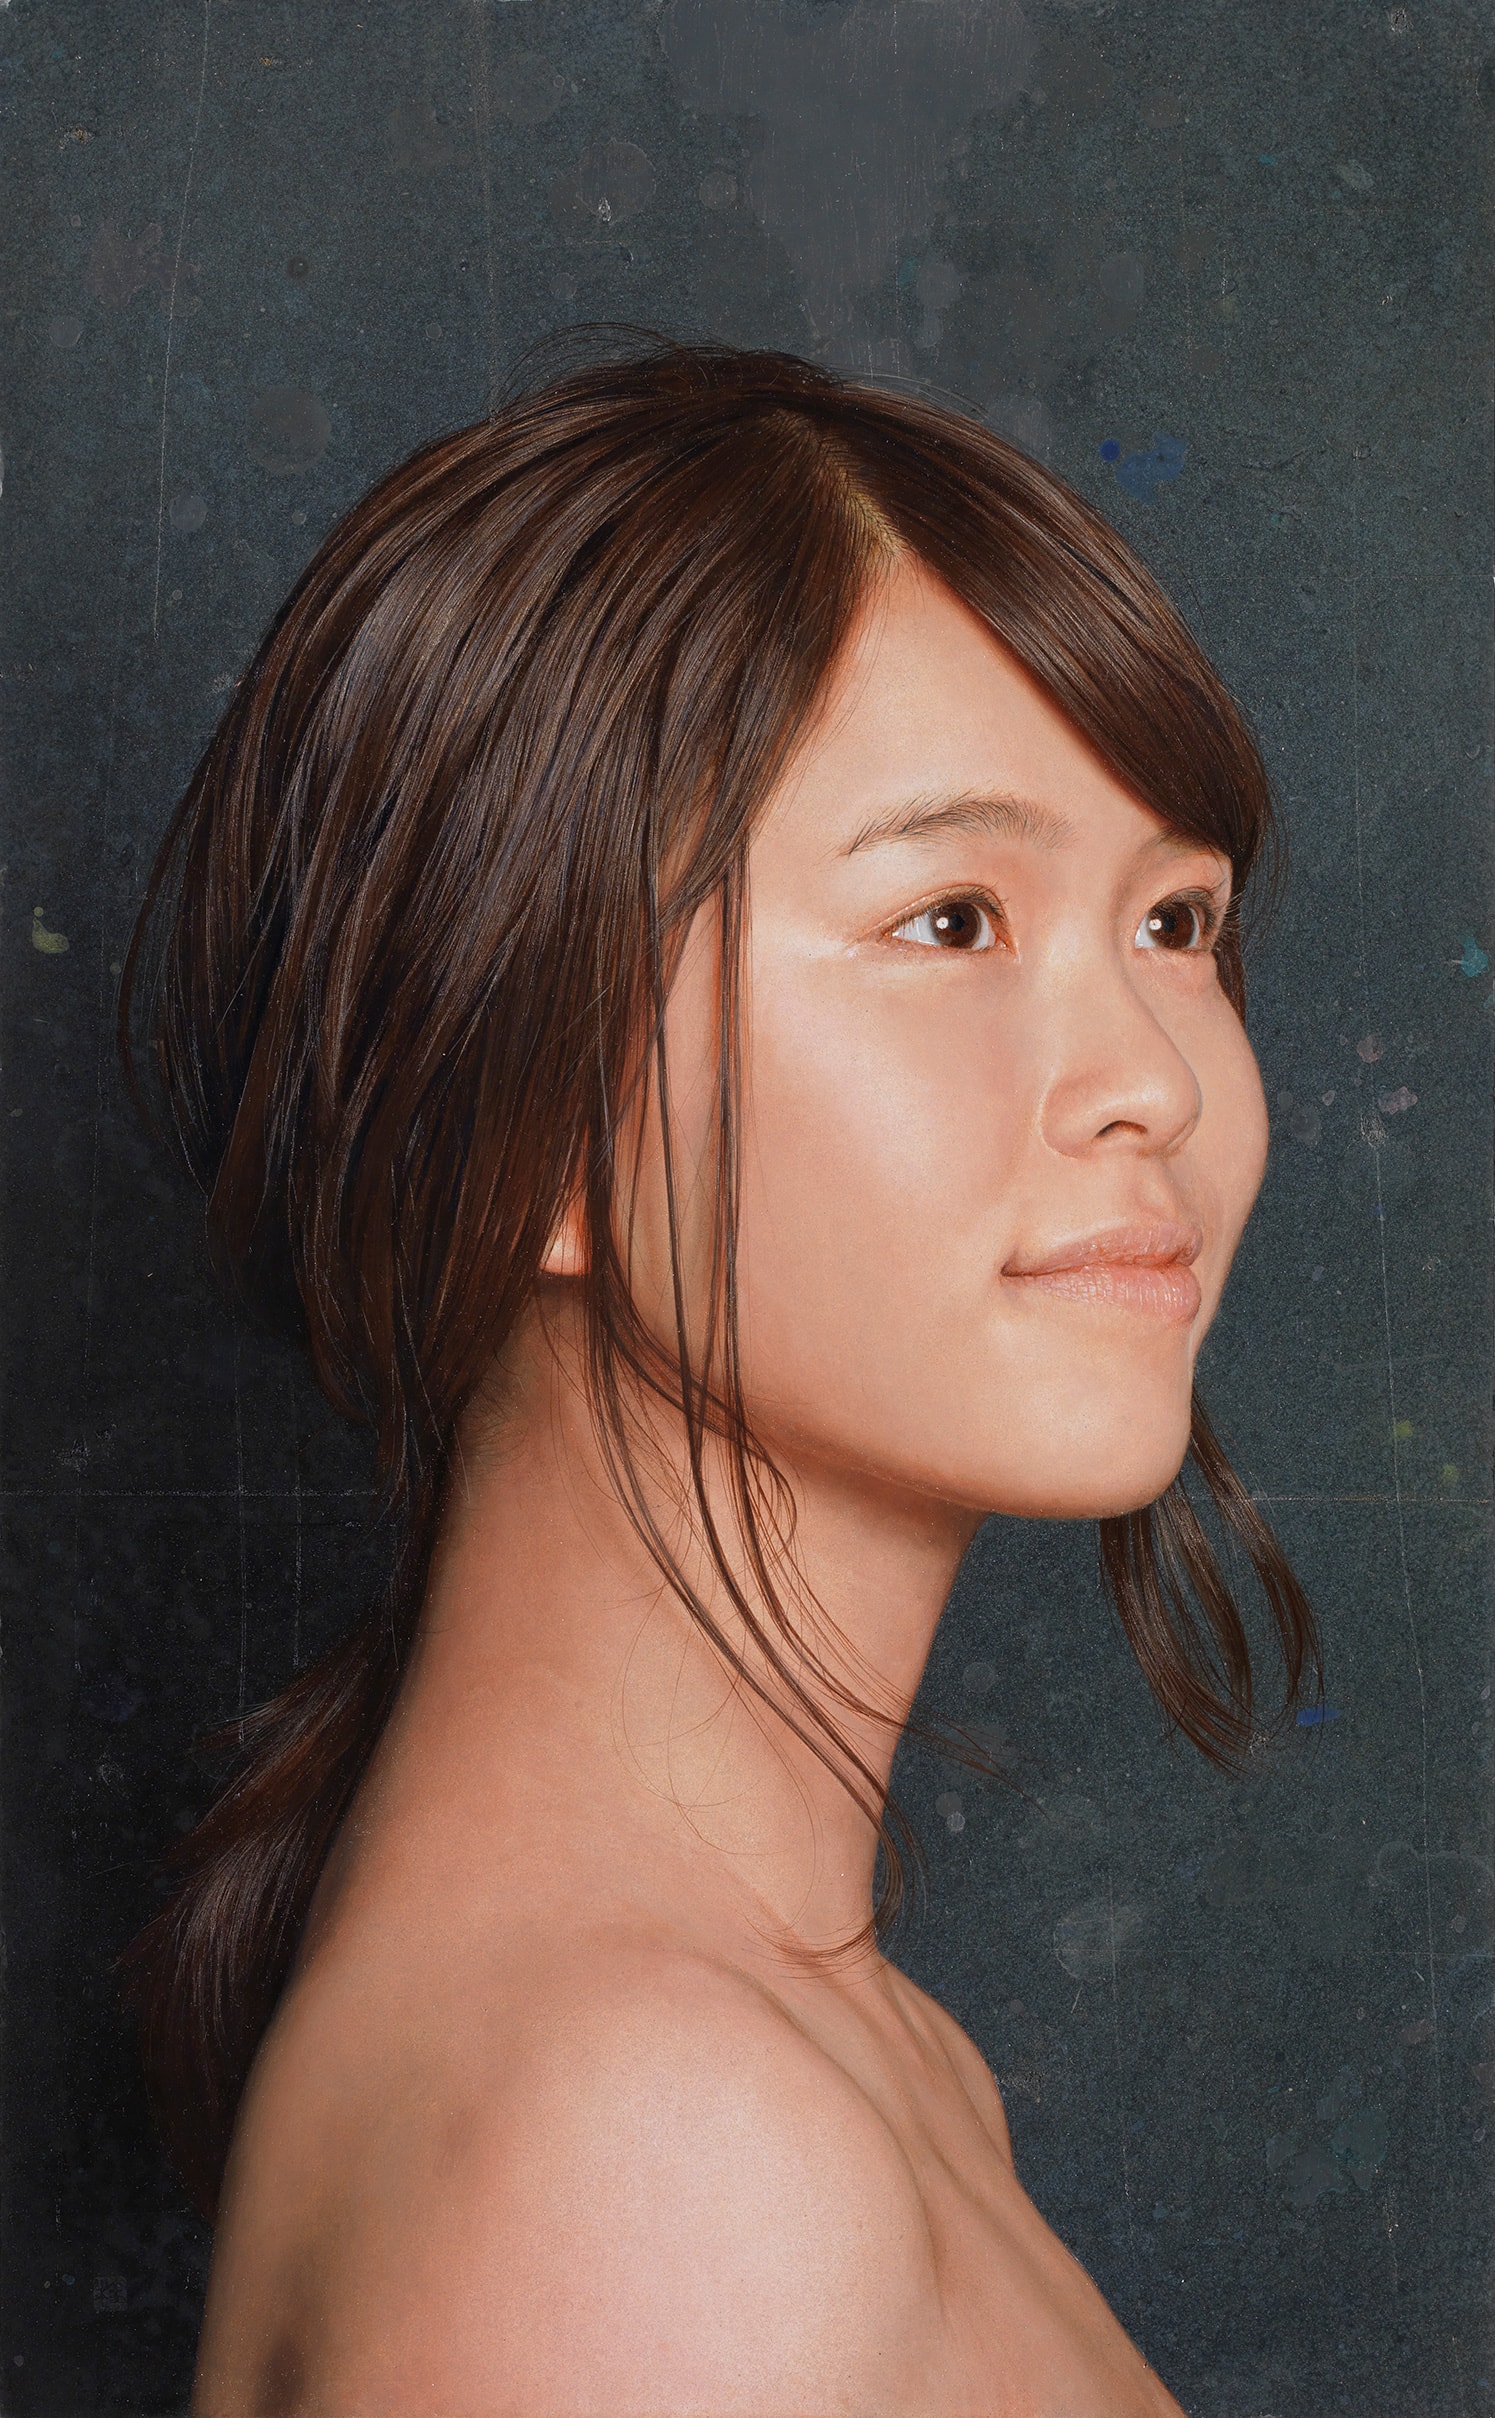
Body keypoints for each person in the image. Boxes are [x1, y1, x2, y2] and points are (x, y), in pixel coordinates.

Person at [121, 336, 1316, 2417]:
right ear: (517, 1117)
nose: (1155, 1080)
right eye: (951, 920)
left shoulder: (836, 2059)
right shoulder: (662, 2156)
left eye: (1175, 921)